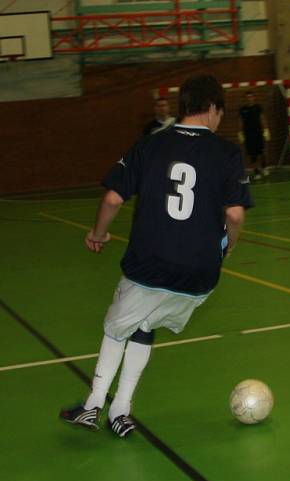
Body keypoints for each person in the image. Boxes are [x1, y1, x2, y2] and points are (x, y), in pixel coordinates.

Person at [60, 75, 252, 438]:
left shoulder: (149, 146)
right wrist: (227, 246)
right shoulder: (227, 153)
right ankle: (121, 411)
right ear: (212, 109)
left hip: (150, 264)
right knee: (144, 323)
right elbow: (236, 215)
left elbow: (114, 198)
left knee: (116, 327)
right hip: (199, 276)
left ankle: (93, 405)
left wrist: (98, 234)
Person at [238, 91, 271, 180]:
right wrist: (240, 133)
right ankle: (257, 172)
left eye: (251, 97)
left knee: (262, 152)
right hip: (248, 135)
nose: (249, 99)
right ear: (246, 99)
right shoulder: (243, 110)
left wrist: (266, 130)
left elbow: (262, 118)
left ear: (253, 98)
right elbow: (240, 121)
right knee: (252, 155)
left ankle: (264, 168)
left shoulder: (258, 108)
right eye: (248, 97)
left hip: (259, 133)